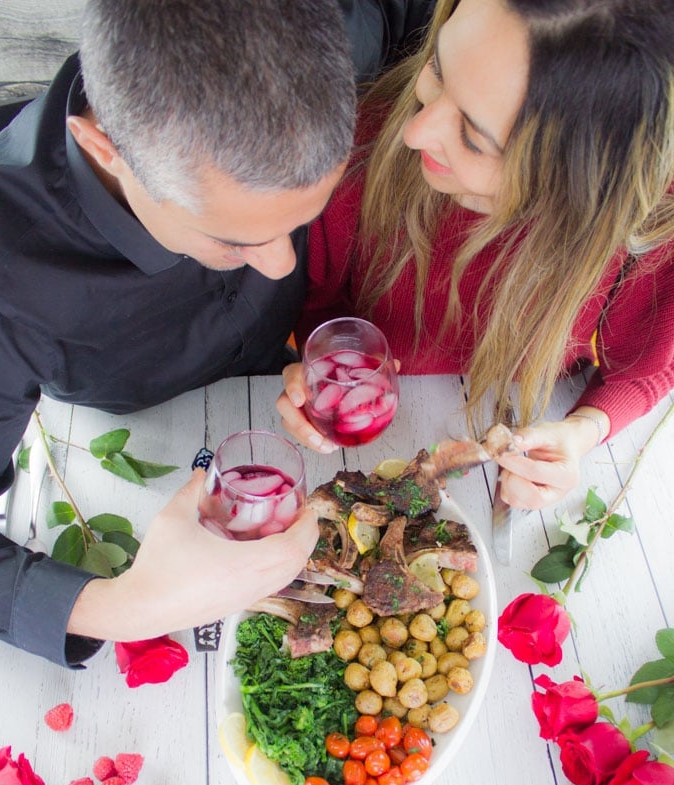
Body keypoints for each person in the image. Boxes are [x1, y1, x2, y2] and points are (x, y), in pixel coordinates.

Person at [0, 0, 439, 668]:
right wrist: (129, 606)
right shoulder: (5, 273)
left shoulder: (337, 29)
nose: (284, 265)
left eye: (297, 220)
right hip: (136, 450)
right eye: (236, 238)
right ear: (104, 150)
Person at [278, 0, 674, 510]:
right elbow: (320, 305)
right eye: (438, 70)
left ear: (578, 189)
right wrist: (325, 372)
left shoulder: (648, 221)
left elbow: (646, 365)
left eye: (473, 138)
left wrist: (580, 432)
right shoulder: (359, 147)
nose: (414, 131)